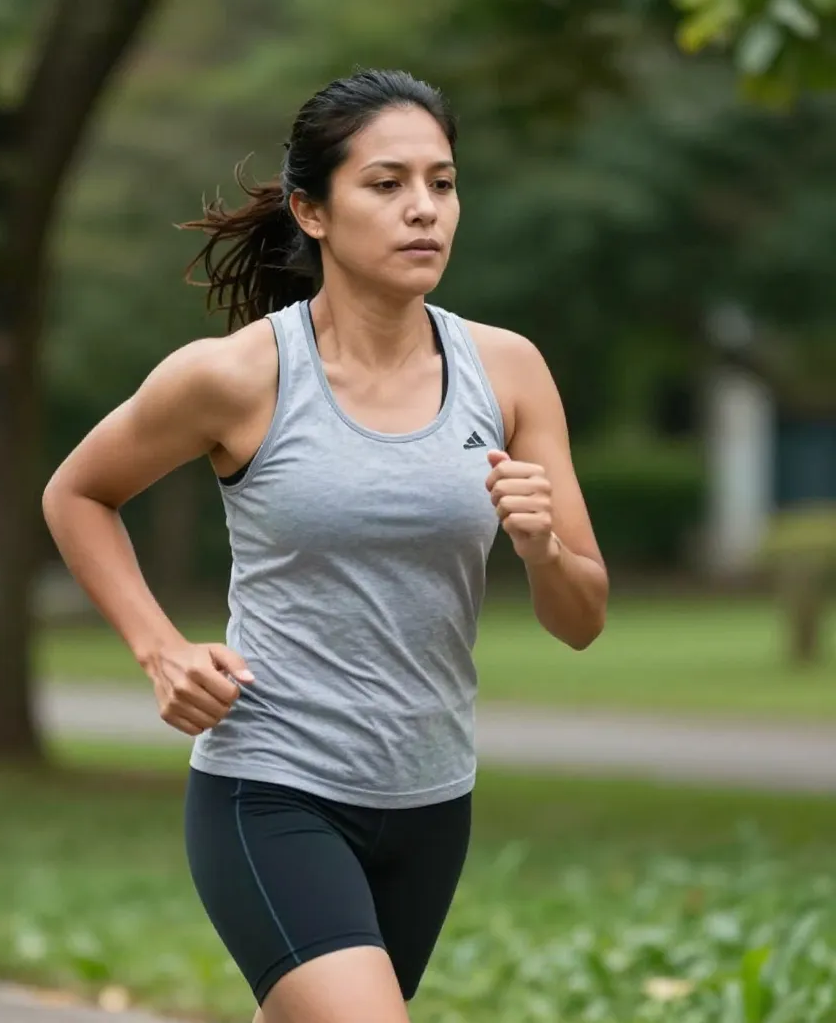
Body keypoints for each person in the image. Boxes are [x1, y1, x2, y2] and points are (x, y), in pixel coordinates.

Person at [42, 68, 608, 1023]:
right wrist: (159, 649)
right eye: (386, 184)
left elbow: (582, 620)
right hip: (271, 787)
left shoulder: (507, 370)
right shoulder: (237, 377)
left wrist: (542, 546)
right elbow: (78, 493)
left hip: (431, 797)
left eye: (442, 182)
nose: (424, 209)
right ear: (312, 211)